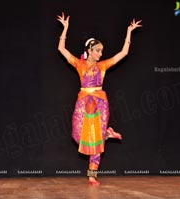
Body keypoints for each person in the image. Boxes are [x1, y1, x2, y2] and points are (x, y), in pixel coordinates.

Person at [57, 12, 142, 185]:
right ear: (90, 50)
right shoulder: (79, 65)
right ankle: (107, 134)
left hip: (100, 103)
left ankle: (92, 175)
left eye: (102, 51)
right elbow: (61, 49)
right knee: (77, 135)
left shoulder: (103, 66)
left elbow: (123, 53)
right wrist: (65, 29)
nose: (101, 54)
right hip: (83, 101)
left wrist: (129, 32)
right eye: (98, 50)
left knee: (96, 141)